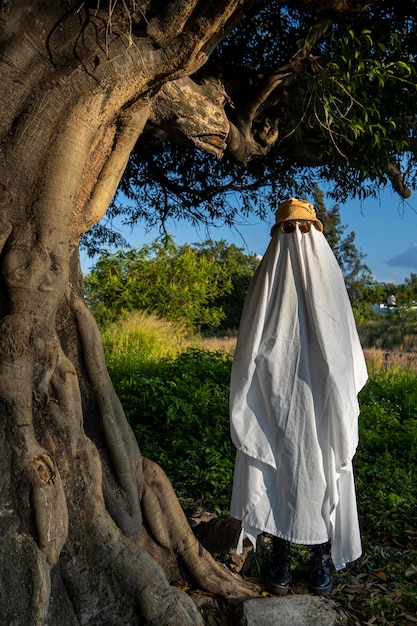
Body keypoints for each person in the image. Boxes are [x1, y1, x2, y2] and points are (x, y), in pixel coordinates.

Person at [229, 197, 368, 596]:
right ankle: (281, 555)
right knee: (283, 469)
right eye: (289, 230)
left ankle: (320, 556)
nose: (297, 238)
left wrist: (339, 385)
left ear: (315, 233)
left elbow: (342, 335)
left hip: (322, 395)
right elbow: (249, 342)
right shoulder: (268, 274)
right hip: (278, 396)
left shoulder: (329, 276)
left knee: (322, 469)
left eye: (303, 230)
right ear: (278, 235)